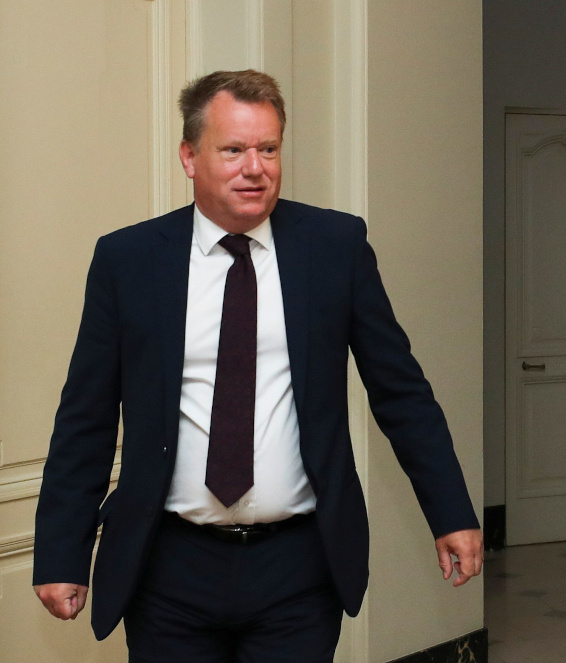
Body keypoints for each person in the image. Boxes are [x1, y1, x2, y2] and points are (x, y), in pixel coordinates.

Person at [32, 69, 483, 662]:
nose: (256, 167)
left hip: (296, 567)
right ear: (190, 157)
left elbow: (401, 392)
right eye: (235, 149)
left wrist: (450, 510)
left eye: (269, 149)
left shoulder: (334, 247)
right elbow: (86, 417)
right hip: (168, 567)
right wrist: (63, 551)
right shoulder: (129, 260)